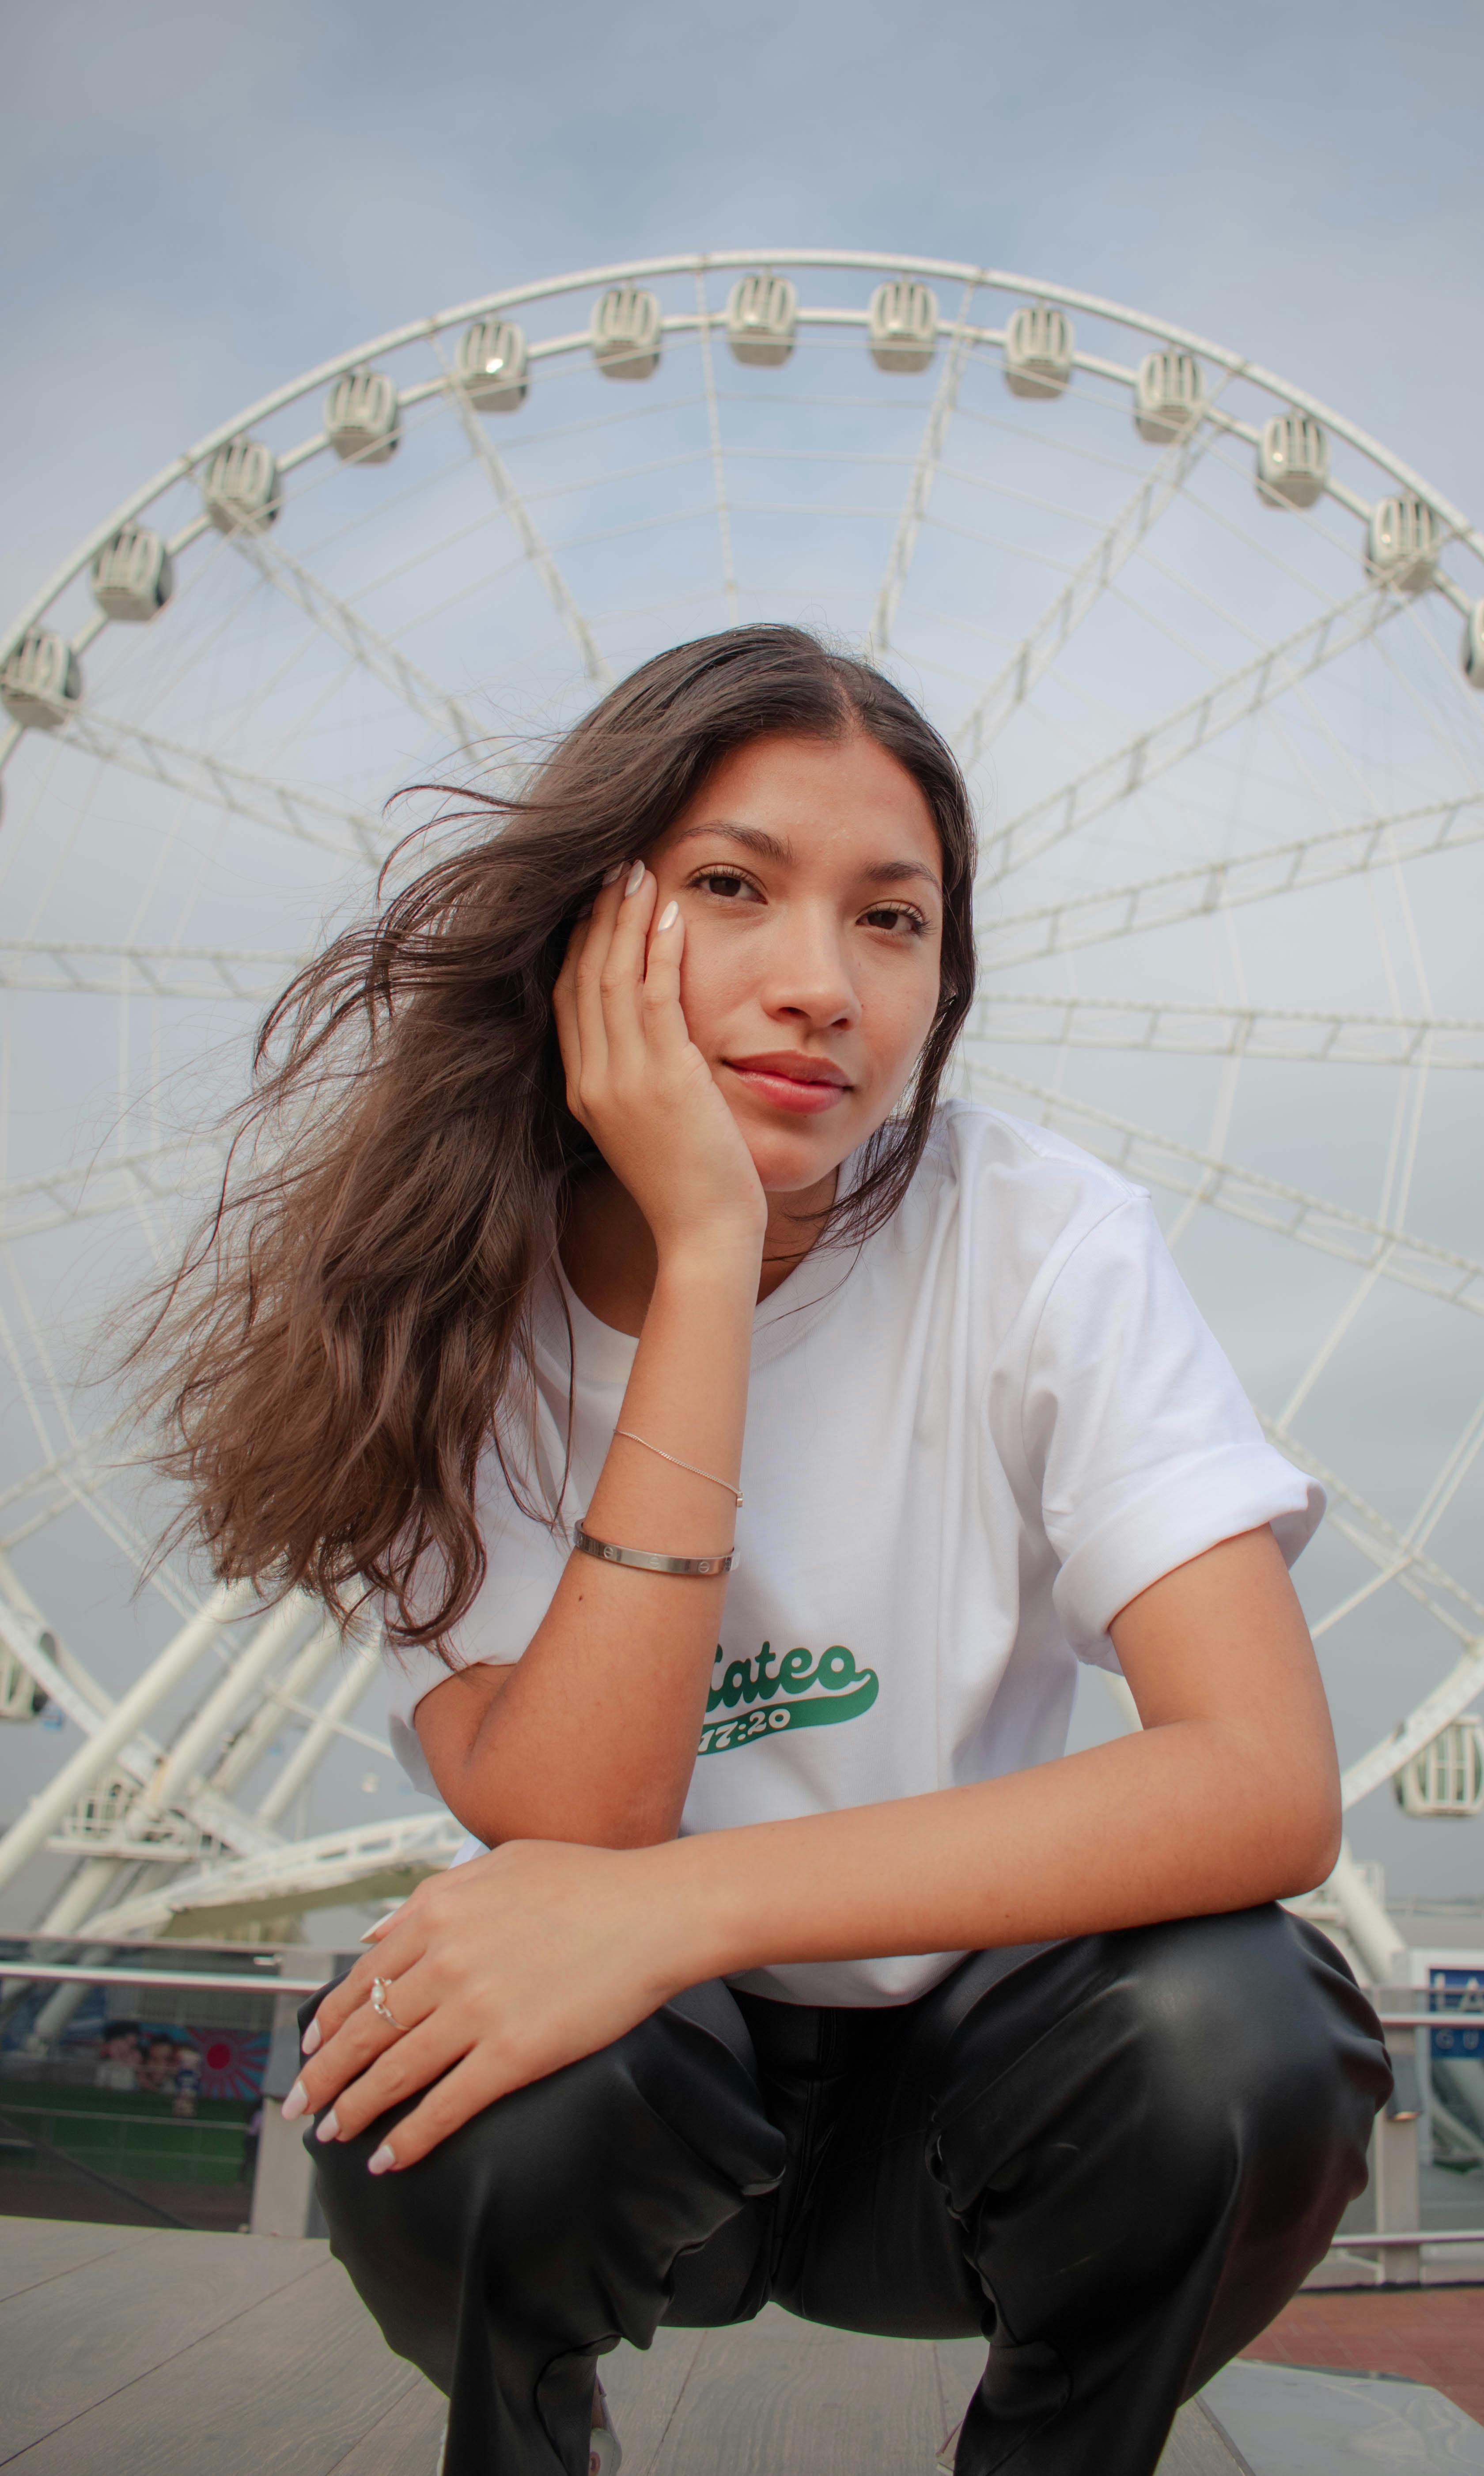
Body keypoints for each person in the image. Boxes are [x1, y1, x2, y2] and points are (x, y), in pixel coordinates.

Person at [132, 627, 1389, 2476]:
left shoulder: (1040, 1239)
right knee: (445, 2048)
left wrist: (675, 1910)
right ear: (594, 925)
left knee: (1246, 2036)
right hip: (648, 2102)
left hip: (978, 2100)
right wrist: (705, 1261)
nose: (821, 984)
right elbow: (580, 1815)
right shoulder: (438, 1307)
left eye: (892, 921)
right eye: (733, 887)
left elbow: (1266, 1786)